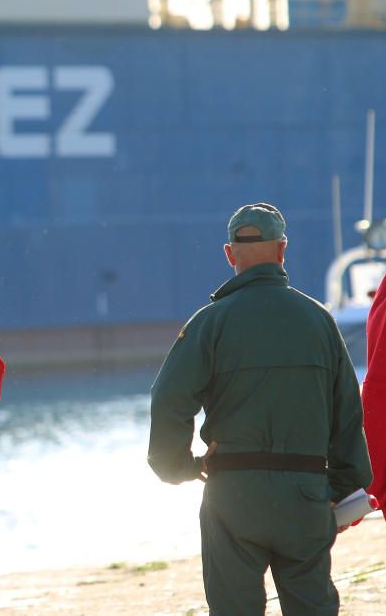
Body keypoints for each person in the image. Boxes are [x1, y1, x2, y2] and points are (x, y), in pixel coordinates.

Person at [147, 203, 372, 616]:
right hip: (305, 492)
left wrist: (179, 466)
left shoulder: (209, 322)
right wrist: (344, 487)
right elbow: (348, 412)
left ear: (230, 254)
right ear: (282, 250)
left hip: (233, 491)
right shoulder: (319, 321)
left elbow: (168, 400)